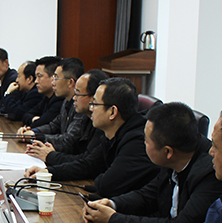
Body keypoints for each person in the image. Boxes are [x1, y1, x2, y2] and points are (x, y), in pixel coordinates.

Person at [82, 102, 222, 223]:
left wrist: (112, 220)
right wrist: (112, 204)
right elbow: (149, 195)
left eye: (146, 140)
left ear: (168, 152)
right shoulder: (176, 156)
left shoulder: (211, 173)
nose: (143, 143)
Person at [25, 78, 159, 198]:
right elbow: (89, 164)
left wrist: (99, 175)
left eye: (95, 104)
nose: (91, 108)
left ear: (112, 112)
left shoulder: (137, 141)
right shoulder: (112, 132)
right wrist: (48, 172)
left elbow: (106, 185)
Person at [25, 69, 107, 165]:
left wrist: (50, 154)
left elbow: (86, 161)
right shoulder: (67, 104)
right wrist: (34, 133)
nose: (74, 98)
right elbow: (54, 125)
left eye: (78, 94)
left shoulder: (96, 123)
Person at [20, 57, 88, 154]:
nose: (53, 82)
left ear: (70, 82)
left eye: (56, 78)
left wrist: (35, 136)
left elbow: (69, 140)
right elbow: (53, 126)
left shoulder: (81, 107)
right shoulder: (66, 101)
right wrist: (34, 131)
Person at [20, 56, 63, 128]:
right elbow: (25, 115)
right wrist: (33, 119)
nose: (36, 81)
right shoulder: (46, 97)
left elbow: (40, 124)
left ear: (53, 78)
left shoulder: (59, 100)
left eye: (39, 76)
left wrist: (34, 122)